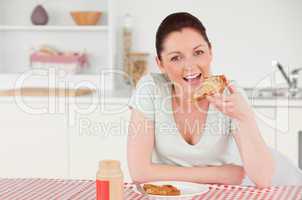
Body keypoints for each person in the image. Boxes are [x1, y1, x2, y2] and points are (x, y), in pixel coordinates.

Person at [127, 12, 302, 188]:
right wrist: (220, 174)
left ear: (210, 52)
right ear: (160, 64)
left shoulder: (229, 93)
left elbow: (263, 179)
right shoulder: (150, 89)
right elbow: (140, 172)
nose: (190, 66)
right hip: (170, 194)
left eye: (198, 52)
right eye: (176, 57)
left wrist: (245, 117)